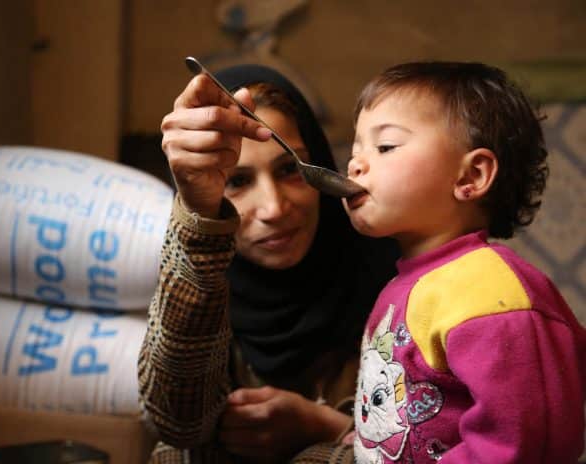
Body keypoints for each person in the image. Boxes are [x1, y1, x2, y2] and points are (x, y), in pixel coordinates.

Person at [137, 64, 398, 463]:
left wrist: (325, 426)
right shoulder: (197, 286)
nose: (274, 208)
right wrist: (199, 216)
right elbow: (177, 423)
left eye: (291, 169)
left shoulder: (396, 281)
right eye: (238, 182)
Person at [335, 61, 586, 463]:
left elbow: (524, 446)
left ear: (471, 176)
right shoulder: (406, 284)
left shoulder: (491, 295)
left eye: (385, 147)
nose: (355, 165)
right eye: (356, 150)